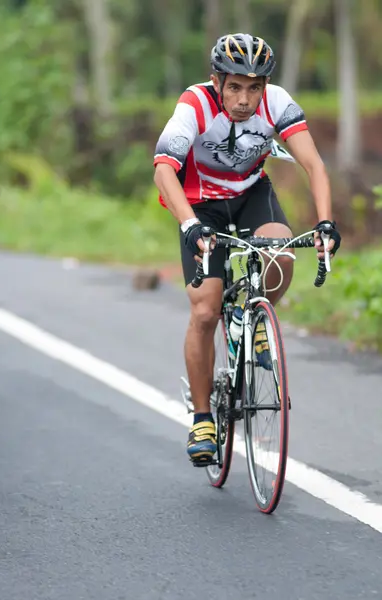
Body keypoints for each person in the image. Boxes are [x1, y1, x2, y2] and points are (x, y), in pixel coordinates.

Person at [153, 33, 341, 466]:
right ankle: (203, 418)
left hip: (251, 192)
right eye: (235, 86)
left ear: (265, 86)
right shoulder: (194, 105)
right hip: (200, 202)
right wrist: (189, 224)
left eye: (254, 87)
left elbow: (313, 164)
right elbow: (164, 170)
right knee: (204, 310)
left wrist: (326, 222)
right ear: (216, 81)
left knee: (281, 249)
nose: (244, 99)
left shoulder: (278, 103)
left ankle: (252, 313)